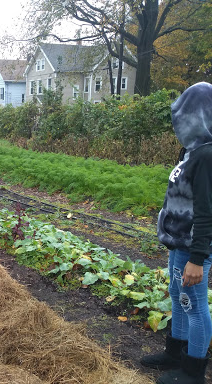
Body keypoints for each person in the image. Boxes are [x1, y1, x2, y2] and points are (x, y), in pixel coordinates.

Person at [140, 82, 212, 384]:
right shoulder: (191, 150)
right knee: (176, 295)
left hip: (193, 246)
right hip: (177, 242)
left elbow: (207, 212)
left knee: (194, 305)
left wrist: (198, 258)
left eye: (185, 116)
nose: (179, 124)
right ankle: (175, 351)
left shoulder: (207, 155)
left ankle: (194, 369)